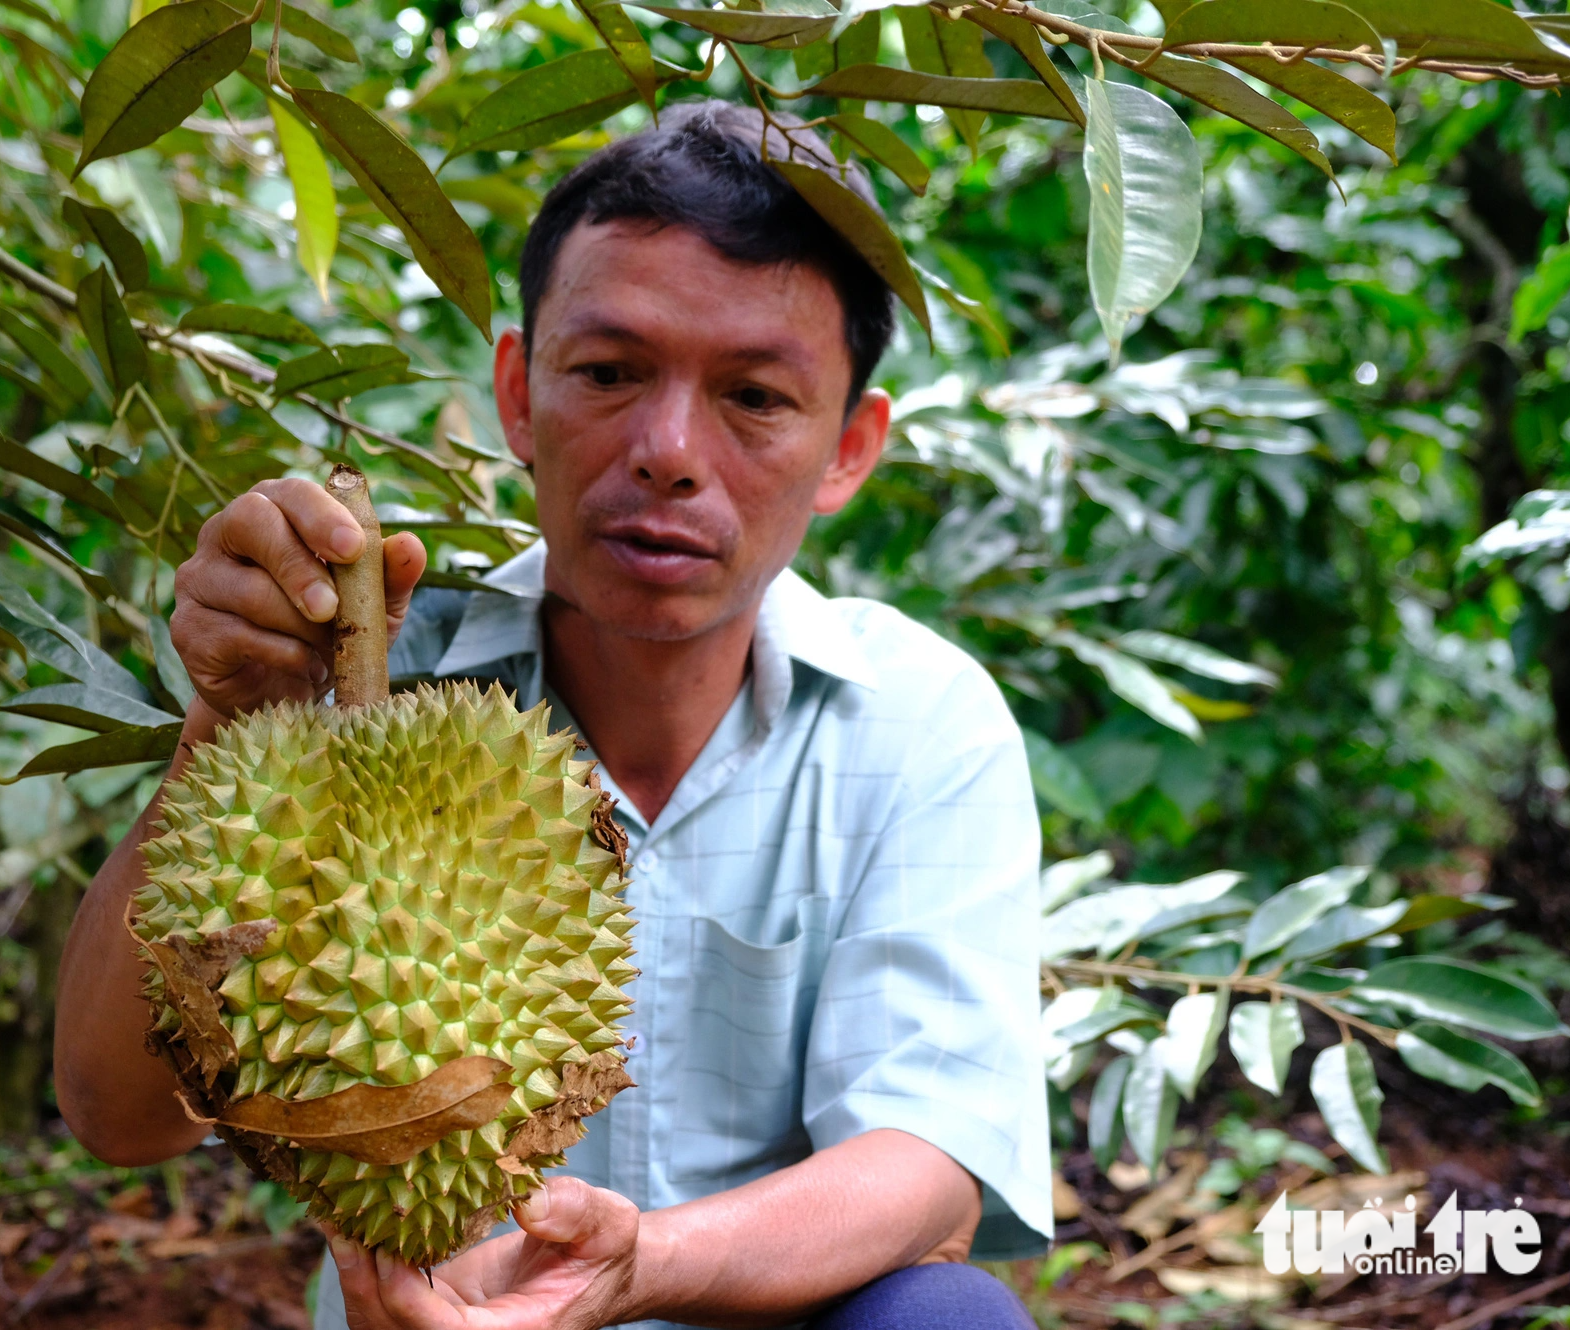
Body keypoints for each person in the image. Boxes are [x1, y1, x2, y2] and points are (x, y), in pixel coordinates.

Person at [54, 101, 1049, 1330]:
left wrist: (640, 1266)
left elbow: (927, 1164)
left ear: (846, 448)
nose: (668, 450)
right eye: (609, 372)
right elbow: (118, 1112)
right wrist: (229, 717)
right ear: (519, 395)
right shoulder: (340, 684)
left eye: (753, 395)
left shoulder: (915, 720)